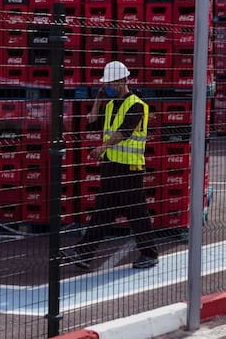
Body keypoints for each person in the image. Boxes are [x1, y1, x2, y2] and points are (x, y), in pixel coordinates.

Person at [62, 61, 159, 270]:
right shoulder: (110, 105)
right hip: (111, 165)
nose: (108, 87)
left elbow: (124, 132)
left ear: (123, 81)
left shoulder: (137, 105)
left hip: (129, 168)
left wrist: (102, 148)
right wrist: (97, 101)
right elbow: (92, 123)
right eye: (107, 84)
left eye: (112, 83)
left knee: (136, 212)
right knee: (103, 211)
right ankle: (84, 253)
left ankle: (149, 254)